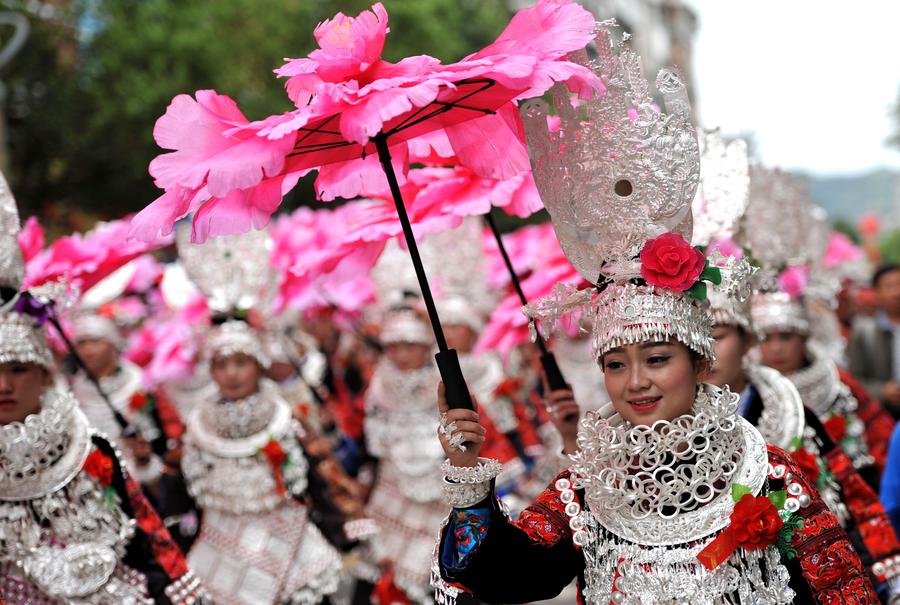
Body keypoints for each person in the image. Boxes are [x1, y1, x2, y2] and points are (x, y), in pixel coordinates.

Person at [433, 26, 876, 603]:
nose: (636, 381)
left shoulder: (769, 476)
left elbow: (846, 594)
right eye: (616, 364)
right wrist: (468, 475)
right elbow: (506, 577)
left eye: (657, 358)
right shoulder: (590, 483)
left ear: (700, 362)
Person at [0, 182, 207, 604]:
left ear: (44, 375)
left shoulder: (89, 448)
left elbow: (147, 539)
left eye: (18, 370)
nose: (4, 385)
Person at [753, 291, 895, 485]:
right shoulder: (748, 390)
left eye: (786, 337)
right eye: (766, 338)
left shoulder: (835, 379)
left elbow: (880, 435)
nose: (776, 348)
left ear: (803, 339)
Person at [848, 264, 900, 416]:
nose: (897, 292)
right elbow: (854, 380)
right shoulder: (864, 333)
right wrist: (882, 391)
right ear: (876, 292)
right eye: (889, 286)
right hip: (886, 416)